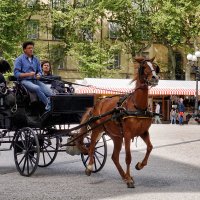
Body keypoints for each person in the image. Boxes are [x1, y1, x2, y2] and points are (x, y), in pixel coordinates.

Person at [14, 41, 53, 111]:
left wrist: (39, 75)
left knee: (50, 92)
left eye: (32, 48)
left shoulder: (36, 59)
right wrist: (28, 74)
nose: (31, 49)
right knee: (37, 88)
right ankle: (49, 106)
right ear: (24, 50)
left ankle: (54, 104)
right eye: (29, 48)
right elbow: (16, 74)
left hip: (35, 80)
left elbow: (40, 71)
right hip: (24, 81)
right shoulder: (19, 59)